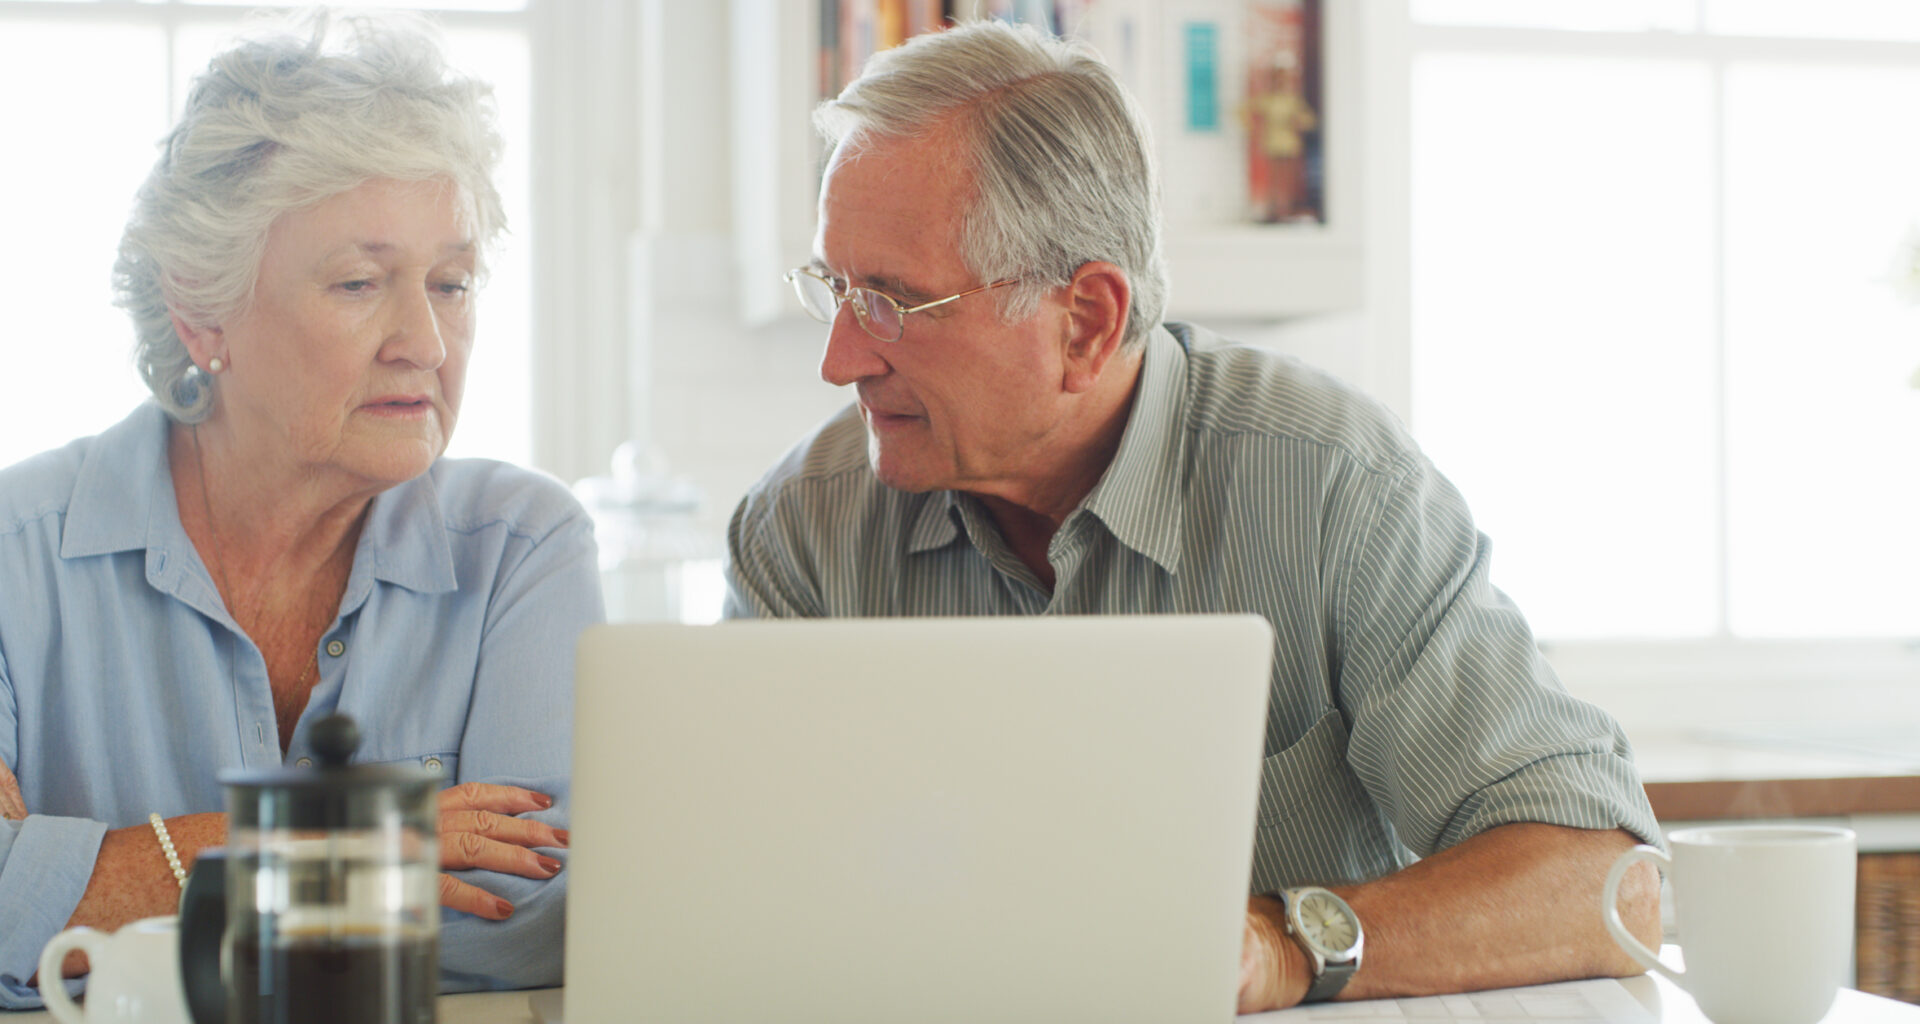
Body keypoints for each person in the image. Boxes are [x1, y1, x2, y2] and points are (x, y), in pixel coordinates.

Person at [724, 19, 1664, 1013]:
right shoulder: (802, 531)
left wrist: (1286, 945)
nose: (839, 359)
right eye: (835, 284)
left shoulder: (1330, 488)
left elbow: (1605, 889)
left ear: (1085, 320)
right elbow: (722, 895)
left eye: (891, 301)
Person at [0, 13, 598, 1009]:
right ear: (201, 309)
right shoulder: (13, 555)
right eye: (360, 283)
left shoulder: (524, 548)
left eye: (452, 283)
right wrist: (367, 841)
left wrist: (84, 888)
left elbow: (529, 925)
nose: (428, 342)